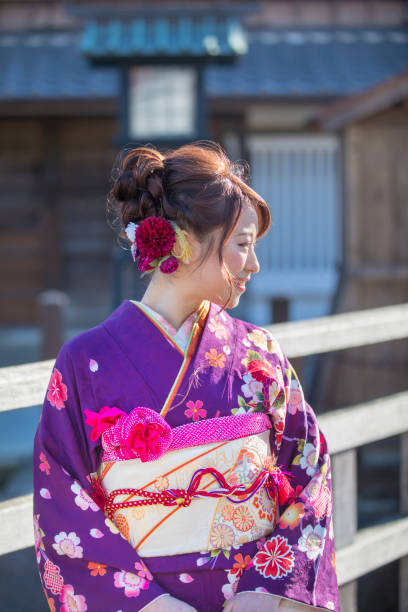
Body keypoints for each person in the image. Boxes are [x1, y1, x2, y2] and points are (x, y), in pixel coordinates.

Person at [33, 141, 340, 612]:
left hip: (252, 599)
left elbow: (309, 471)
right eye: (242, 245)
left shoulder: (260, 353)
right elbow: (62, 508)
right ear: (182, 240)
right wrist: (151, 605)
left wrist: (270, 590)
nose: (254, 264)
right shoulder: (84, 363)